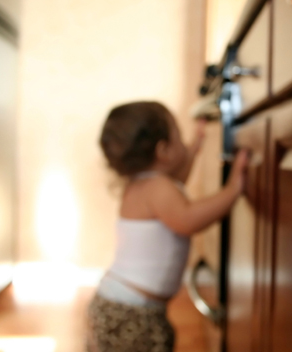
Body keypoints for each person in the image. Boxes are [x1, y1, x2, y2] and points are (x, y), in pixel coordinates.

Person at [87, 101, 247, 352]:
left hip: (121, 303)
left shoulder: (145, 185)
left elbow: (178, 184)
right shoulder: (159, 189)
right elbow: (188, 219)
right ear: (163, 151)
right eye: (179, 137)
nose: (184, 143)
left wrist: (195, 147)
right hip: (133, 312)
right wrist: (232, 190)